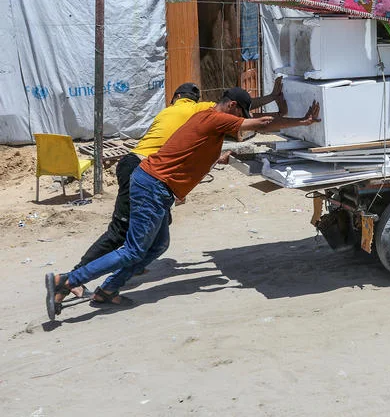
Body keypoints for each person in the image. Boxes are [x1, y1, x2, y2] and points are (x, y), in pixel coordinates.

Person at [45, 87, 320, 319]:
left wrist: (218, 157)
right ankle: (67, 281)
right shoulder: (216, 118)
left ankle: (108, 290)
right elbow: (262, 124)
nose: (240, 122)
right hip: (153, 186)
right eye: (241, 115)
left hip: (154, 185)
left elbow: (194, 148)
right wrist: (303, 121)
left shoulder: (206, 118)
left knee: (158, 245)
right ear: (233, 106)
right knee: (132, 249)